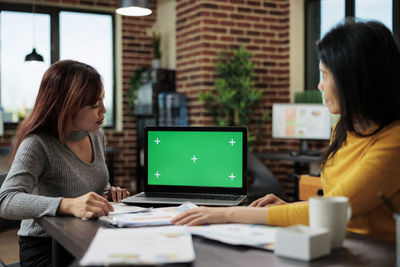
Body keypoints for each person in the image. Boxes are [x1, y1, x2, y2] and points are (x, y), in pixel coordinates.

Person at [172, 20, 400, 242]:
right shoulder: (345, 128)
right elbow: (329, 204)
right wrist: (289, 208)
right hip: (337, 242)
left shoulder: (394, 141)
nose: (320, 86)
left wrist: (227, 213)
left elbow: (336, 207)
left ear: (355, 78)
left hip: (376, 252)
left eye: (325, 75)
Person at [0, 60, 131, 266]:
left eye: (102, 100)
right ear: (68, 106)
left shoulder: (96, 136)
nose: (103, 110)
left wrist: (107, 193)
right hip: (46, 247)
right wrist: (66, 204)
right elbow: (6, 200)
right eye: (95, 105)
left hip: (87, 236)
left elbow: (88, 185)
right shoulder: (38, 143)